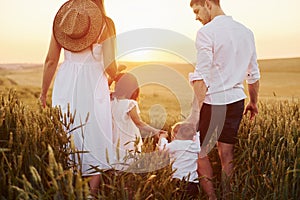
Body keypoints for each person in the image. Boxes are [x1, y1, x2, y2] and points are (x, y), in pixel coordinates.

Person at [39, 0, 118, 197]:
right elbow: (111, 67)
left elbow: (51, 60)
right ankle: (91, 193)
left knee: (67, 131)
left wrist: (43, 92)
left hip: (66, 82)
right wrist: (118, 75)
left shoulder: (63, 20)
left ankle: (68, 187)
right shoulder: (106, 24)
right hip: (93, 83)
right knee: (95, 133)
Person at [186, 0, 260, 199]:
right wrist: (253, 102)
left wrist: (194, 116)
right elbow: (253, 74)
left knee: (200, 153)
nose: (196, 17)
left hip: (213, 102)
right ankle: (227, 196)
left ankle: (212, 197)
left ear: (208, 4)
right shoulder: (246, 32)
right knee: (226, 154)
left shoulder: (206, 32)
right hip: (236, 101)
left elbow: (202, 77)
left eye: (197, 10)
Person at [110, 72, 166, 169]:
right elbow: (138, 122)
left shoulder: (110, 100)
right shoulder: (130, 104)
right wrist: (155, 131)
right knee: (126, 161)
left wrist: (113, 77)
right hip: (126, 138)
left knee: (114, 158)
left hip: (112, 135)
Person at [158, 122, 201, 198]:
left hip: (178, 180)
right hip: (193, 182)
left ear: (175, 135)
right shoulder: (196, 145)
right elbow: (197, 135)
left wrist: (162, 137)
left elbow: (162, 149)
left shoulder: (176, 144)